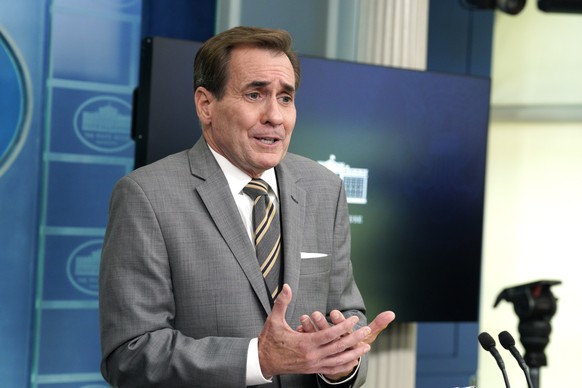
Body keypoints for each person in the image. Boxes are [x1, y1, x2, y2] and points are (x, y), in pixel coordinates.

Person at [99, 26, 395, 387]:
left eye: (286, 98)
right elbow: (131, 357)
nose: (275, 116)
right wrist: (260, 359)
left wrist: (340, 365)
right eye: (255, 94)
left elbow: (346, 313)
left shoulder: (324, 187)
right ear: (206, 104)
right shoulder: (146, 195)